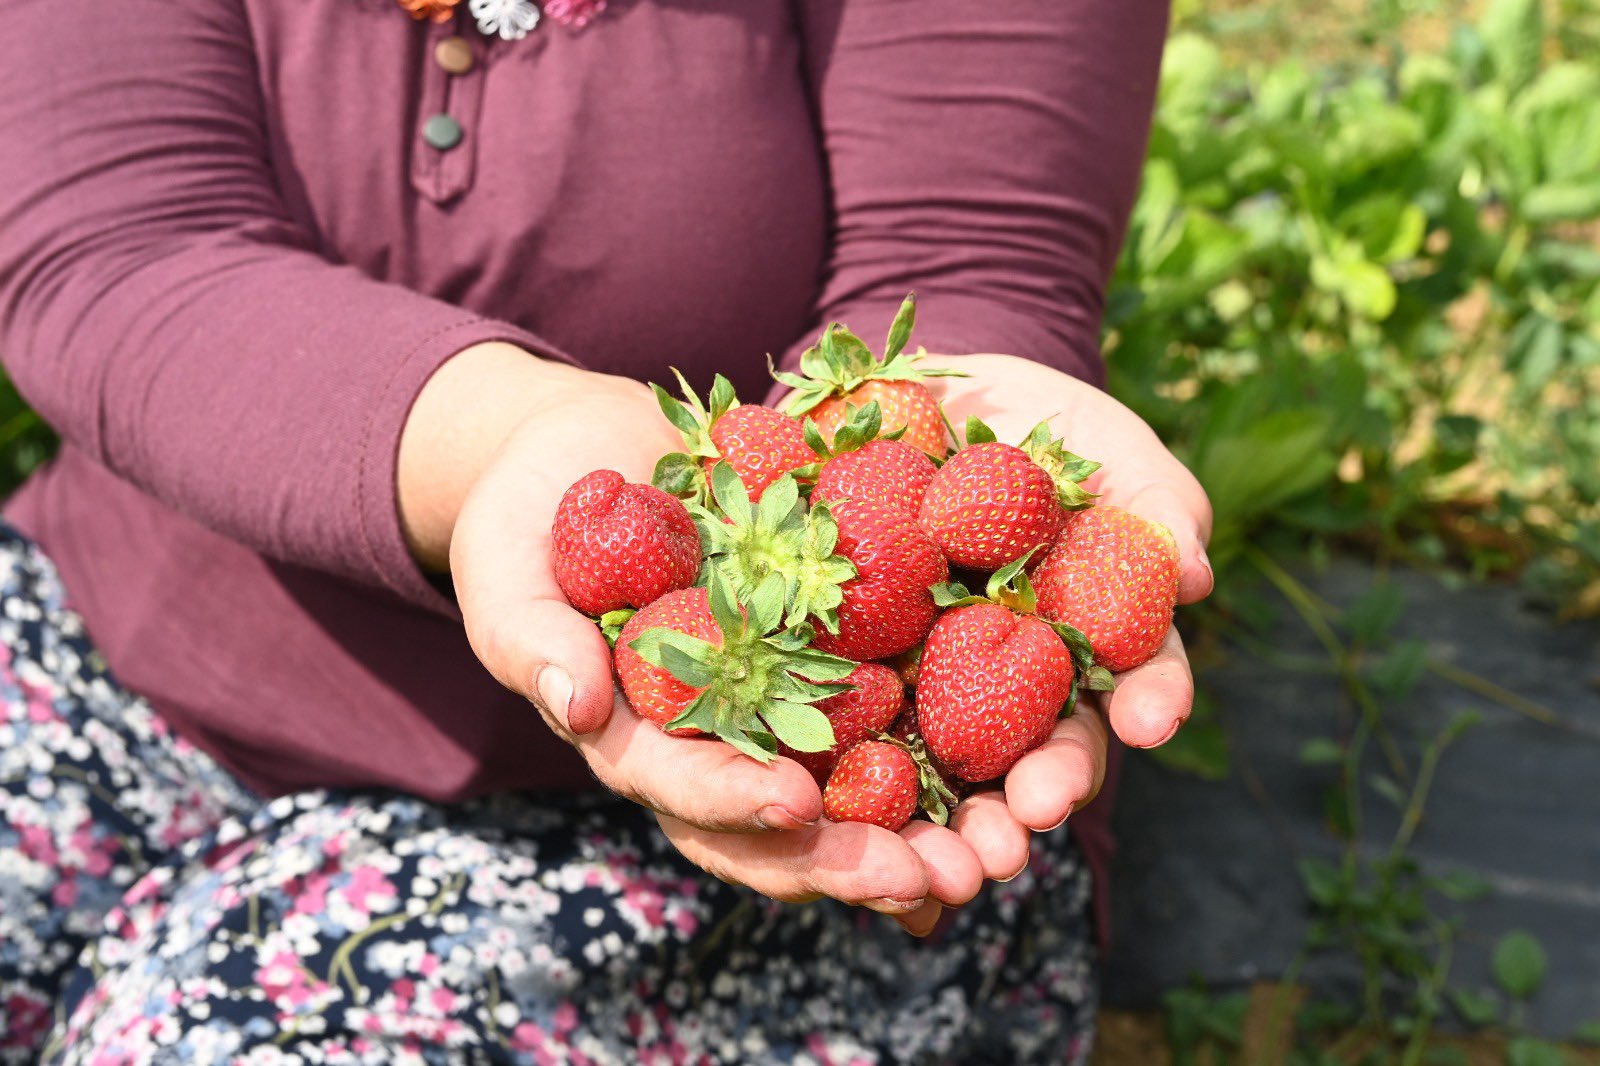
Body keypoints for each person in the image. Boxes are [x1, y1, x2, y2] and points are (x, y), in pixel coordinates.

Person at [0, 0, 1210, 1060]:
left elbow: (961, 248)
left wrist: (957, 442)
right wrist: (506, 439)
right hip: (128, 652)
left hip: (733, 800)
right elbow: (114, 238)